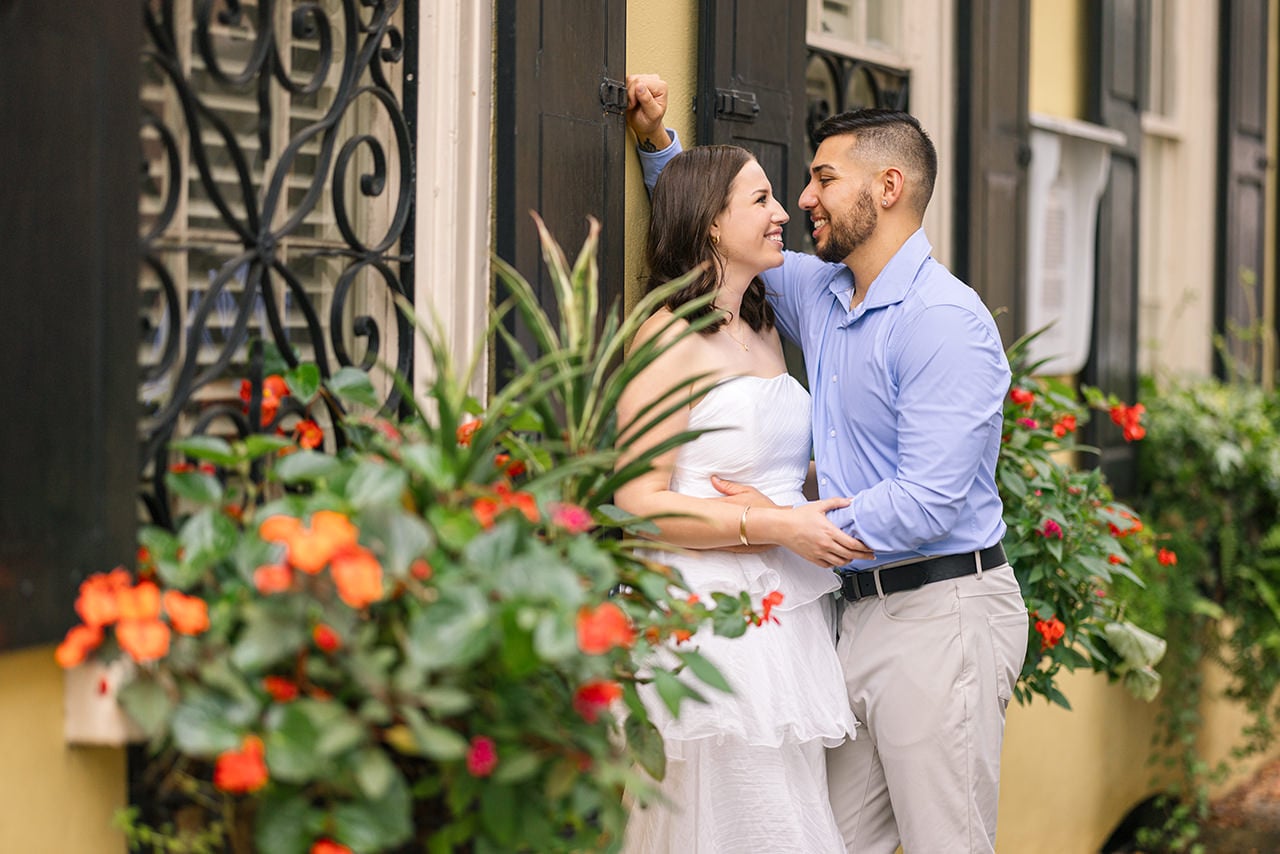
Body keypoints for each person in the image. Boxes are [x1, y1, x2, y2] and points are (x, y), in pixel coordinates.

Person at [627, 74, 1030, 854]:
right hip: (846, 615)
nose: (803, 200)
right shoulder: (821, 294)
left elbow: (929, 502)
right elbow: (714, 236)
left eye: (822, 179)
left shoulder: (946, 323)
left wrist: (780, 524)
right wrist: (658, 148)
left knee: (945, 840)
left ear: (887, 187)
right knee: (817, 836)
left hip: (941, 613)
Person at [614, 142, 865, 853]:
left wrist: (813, 505)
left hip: (785, 614)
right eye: (760, 201)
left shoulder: (763, 327)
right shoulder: (666, 337)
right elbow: (636, 499)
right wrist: (771, 524)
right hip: (705, 618)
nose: (785, 211)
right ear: (710, 224)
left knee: (780, 813)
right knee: (733, 822)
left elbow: (778, 467)